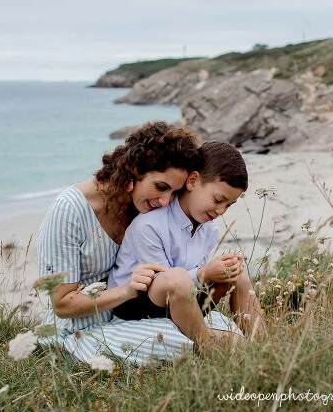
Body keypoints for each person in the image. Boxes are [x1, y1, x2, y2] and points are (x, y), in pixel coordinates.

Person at [37, 122, 240, 366]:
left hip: (127, 316)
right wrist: (126, 291)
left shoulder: (139, 204)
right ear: (134, 169)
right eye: (161, 187)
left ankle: (216, 344)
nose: (165, 201)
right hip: (78, 328)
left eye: (173, 193)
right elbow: (62, 305)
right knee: (182, 342)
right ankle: (210, 350)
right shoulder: (69, 209)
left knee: (225, 330)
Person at [108, 141, 266, 347]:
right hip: (137, 303)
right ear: (192, 181)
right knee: (177, 278)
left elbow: (188, 286)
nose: (220, 211)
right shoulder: (148, 225)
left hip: (183, 298)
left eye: (228, 205)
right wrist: (204, 274)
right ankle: (206, 345)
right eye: (218, 200)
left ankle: (262, 343)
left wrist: (218, 273)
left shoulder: (209, 229)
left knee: (237, 272)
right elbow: (165, 282)